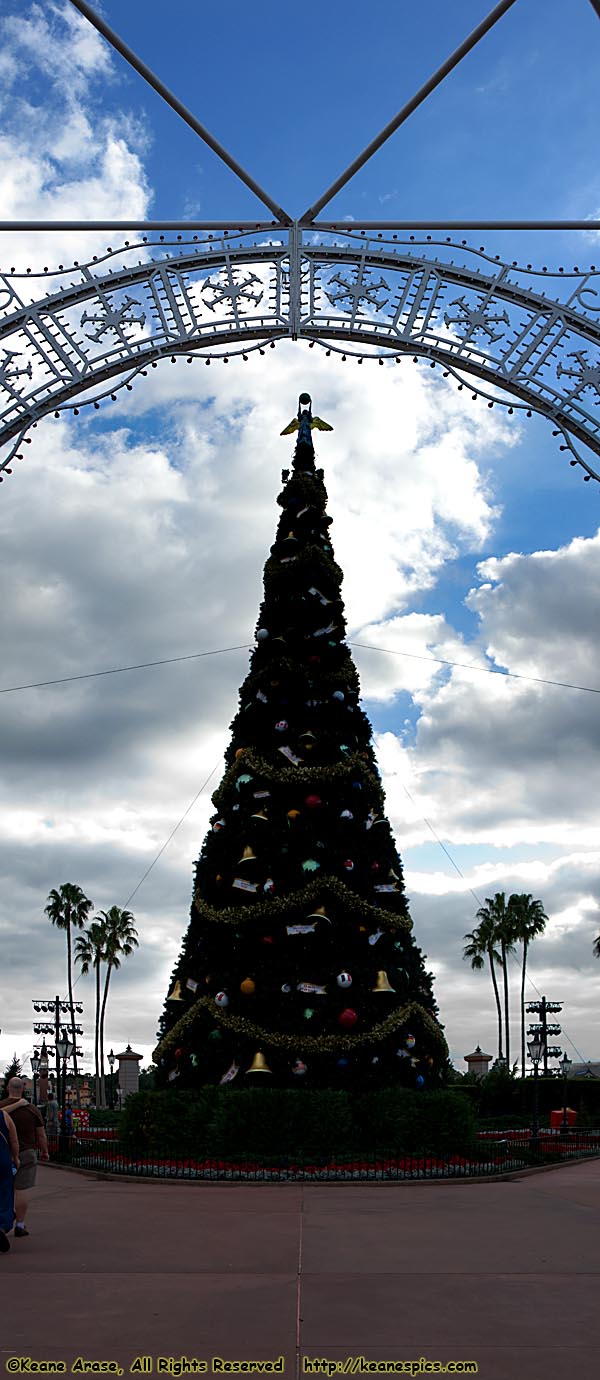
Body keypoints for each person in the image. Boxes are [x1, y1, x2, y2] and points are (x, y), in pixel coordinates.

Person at [0, 1077, 49, 1239]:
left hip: (4, 1152)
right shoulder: (32, 1109)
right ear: (22, 1088)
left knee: (3, 1189)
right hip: (27, 1152)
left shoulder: (1, 1106)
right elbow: (41, 1134)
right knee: (20, 1189)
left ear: (8, 1088)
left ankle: (3, 1221)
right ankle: (20, 1225)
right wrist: (45, 1151)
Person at [0, 1106, 20, 1253]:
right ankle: (2, 1225)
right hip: (3, 1161)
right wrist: (15, 1158)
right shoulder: (4, 1116)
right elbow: (14, 1140)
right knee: (5, 1194)